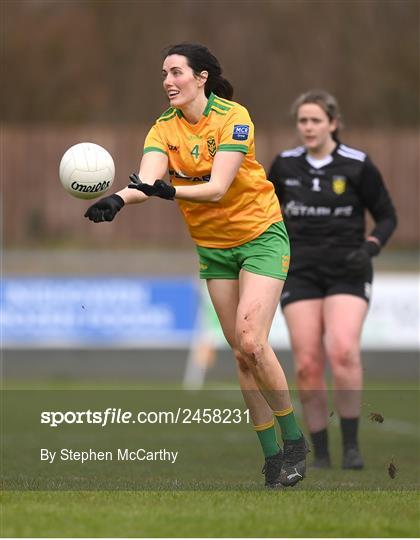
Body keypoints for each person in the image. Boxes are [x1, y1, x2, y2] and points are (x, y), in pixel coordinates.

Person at [84, 43, 308, 487]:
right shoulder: (163, 129)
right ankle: (271, 458)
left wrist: (169, 192)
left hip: (261, 236)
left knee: (253, 342)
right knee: (242, 357)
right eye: (164, 73)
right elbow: (148, 180)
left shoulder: (233, 117)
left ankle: (295, 440)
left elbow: (219, 187)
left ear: (201, 77)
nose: (168, 81)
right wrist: (118, 199)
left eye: (176, 72)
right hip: (213, 248)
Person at [268, 89, 397, 469]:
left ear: (333, 124)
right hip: (300, 271)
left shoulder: (358, 165)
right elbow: (264, 213)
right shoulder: (285, 165)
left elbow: (388, 217)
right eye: (302, 121)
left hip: (348, 270)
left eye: (315, 121)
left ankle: (352, 446)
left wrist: (370, 246)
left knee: (342, 351)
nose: (308, 127)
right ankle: (320, 451)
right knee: (308, 364)